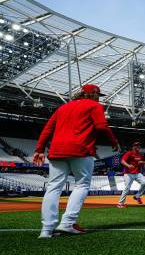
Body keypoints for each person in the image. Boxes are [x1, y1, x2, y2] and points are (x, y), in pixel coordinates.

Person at [32, 84, 120, 238]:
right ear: (93, 95)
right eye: (98, 95)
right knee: (82, 184)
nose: (98, 98)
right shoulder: (95, 106)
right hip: (81, 149)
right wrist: (113, 141)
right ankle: (67, 223)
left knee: (53, 187)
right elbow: (101, 126)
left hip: (57, 150)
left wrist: (39, 149)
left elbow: (48, 129)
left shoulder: (63, 107)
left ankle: (46, 229)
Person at [116, 141, 145, 208]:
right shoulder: (129, 153)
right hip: (128, 173)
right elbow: (122, 161)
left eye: (139, 146)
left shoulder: (140, 155)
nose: (139, 147)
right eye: (137, 146)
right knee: (127, 188)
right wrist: (128, 165)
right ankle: (120, 203)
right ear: (133, 147)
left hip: (138, 173)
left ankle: (137, 196)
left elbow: (141, 163)